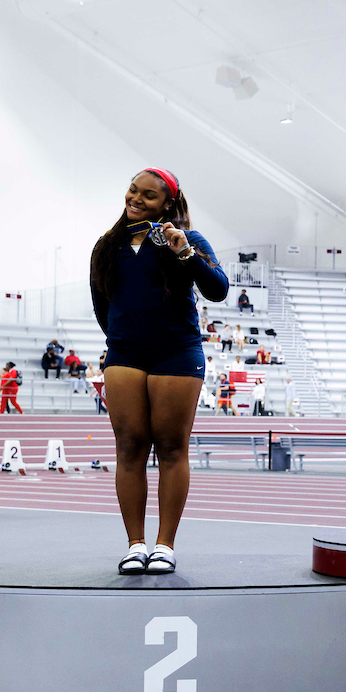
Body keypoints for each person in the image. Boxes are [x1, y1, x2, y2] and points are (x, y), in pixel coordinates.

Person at [90, 167, 228, 576]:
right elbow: (103, 306)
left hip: (177, 354)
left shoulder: (187, 240)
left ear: (168, 203)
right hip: (126, 356)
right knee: (129, 448)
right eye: (133, 190)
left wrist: (184, 251)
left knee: (171, 449)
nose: (135, 199)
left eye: (148, 196)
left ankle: (164, 545)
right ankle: (135, 544)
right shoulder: (106, 246)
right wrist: (124, 340)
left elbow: (218, 289)